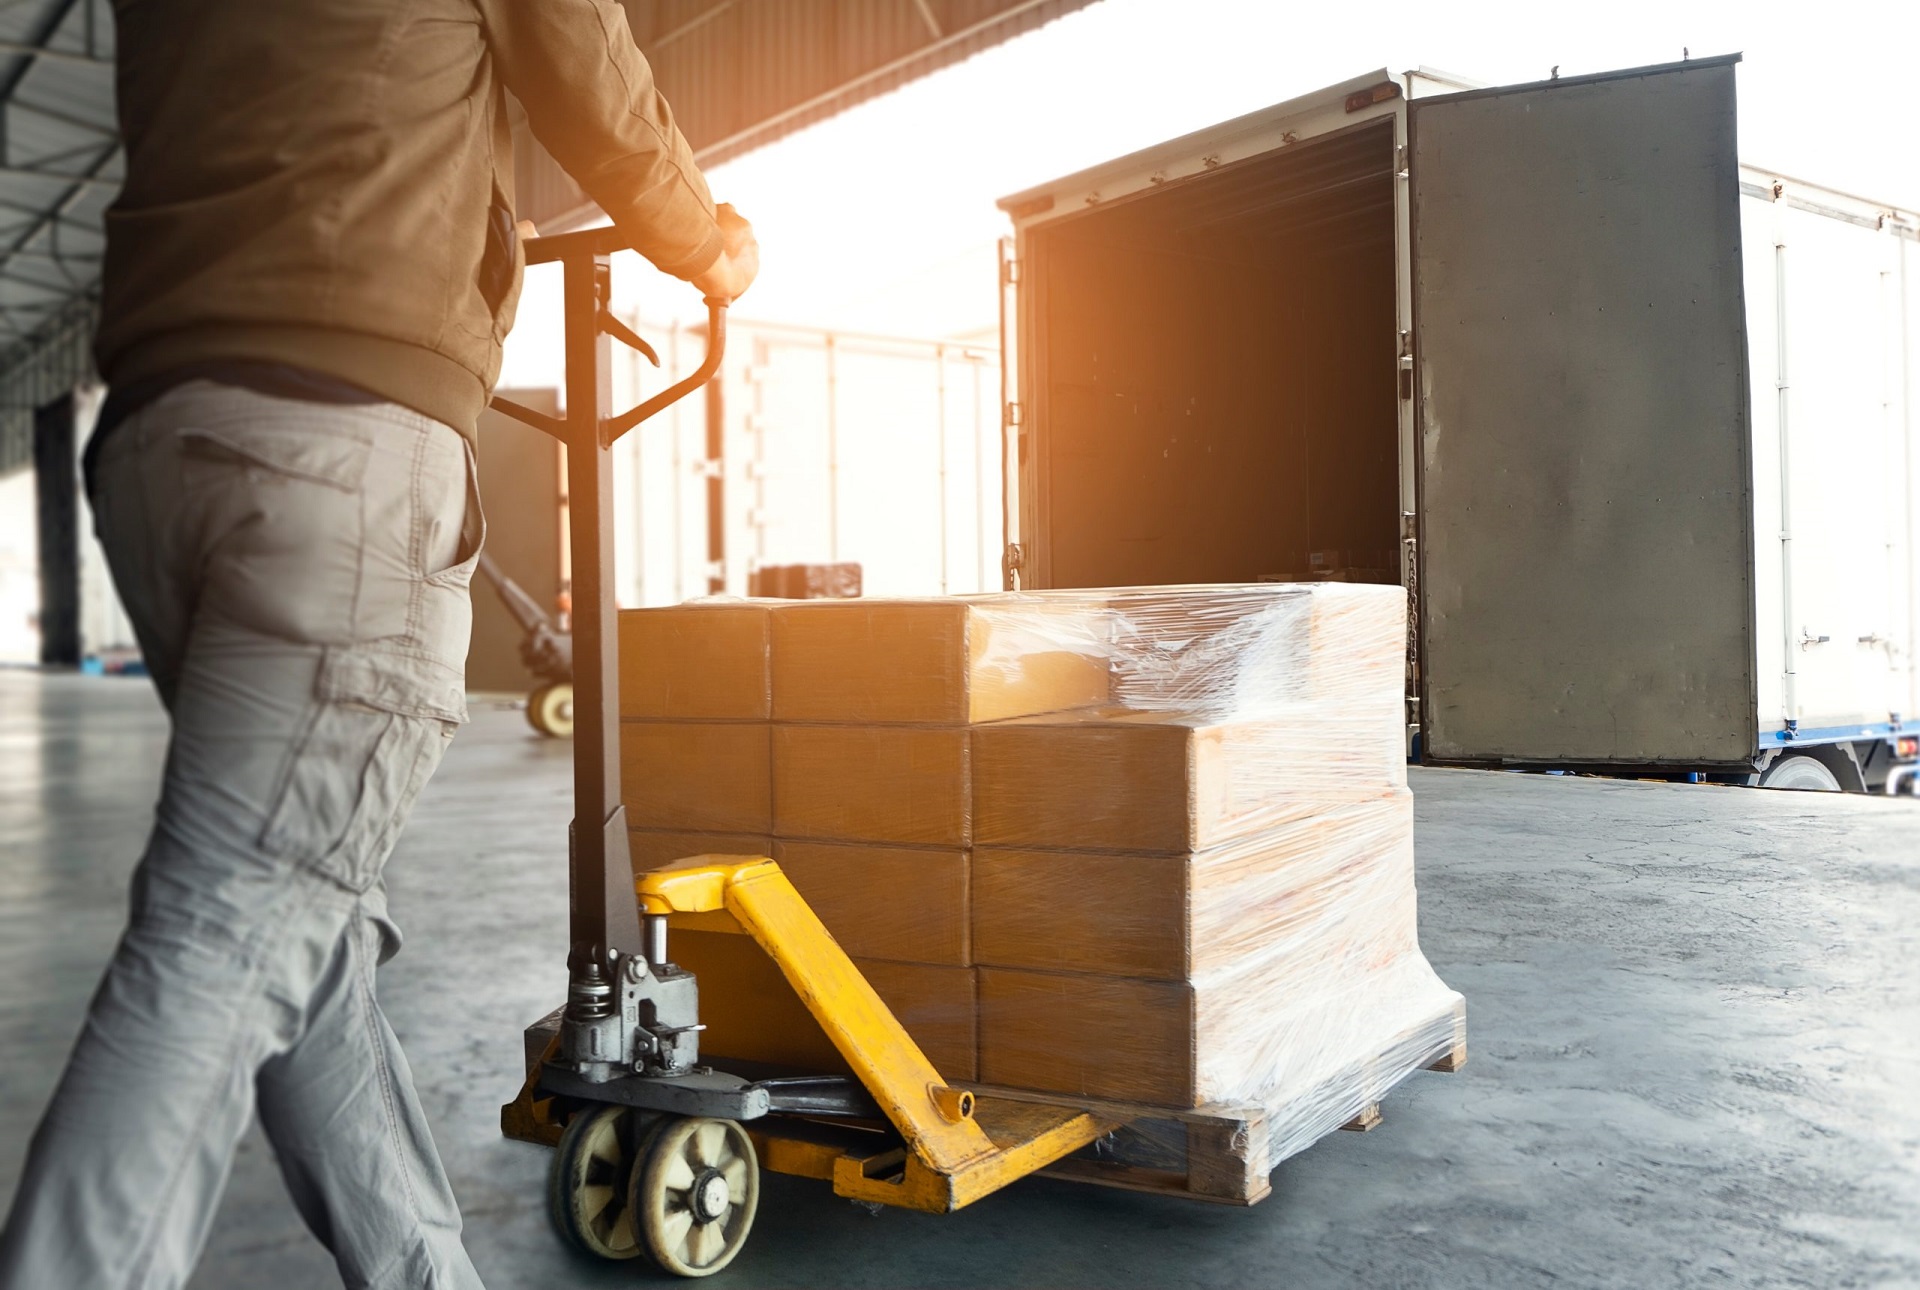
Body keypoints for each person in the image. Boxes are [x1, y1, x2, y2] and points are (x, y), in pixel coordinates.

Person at [0, 2, 756, 1287]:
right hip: (341, 438)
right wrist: (711, 241)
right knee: (232, 930)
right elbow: (588, 70)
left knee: (311, 939)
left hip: (155, 439)